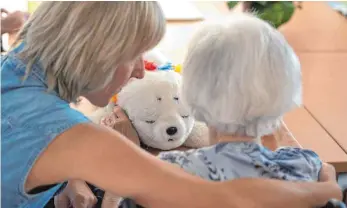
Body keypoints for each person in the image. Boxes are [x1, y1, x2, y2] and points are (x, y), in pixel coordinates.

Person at [0, 2, 342, 208]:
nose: (139, 70)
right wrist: (327, 188)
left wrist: (71, 170)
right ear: (97, 53)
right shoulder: (76, 138)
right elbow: (224, 200)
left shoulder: (21, 56)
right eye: (134, 55)